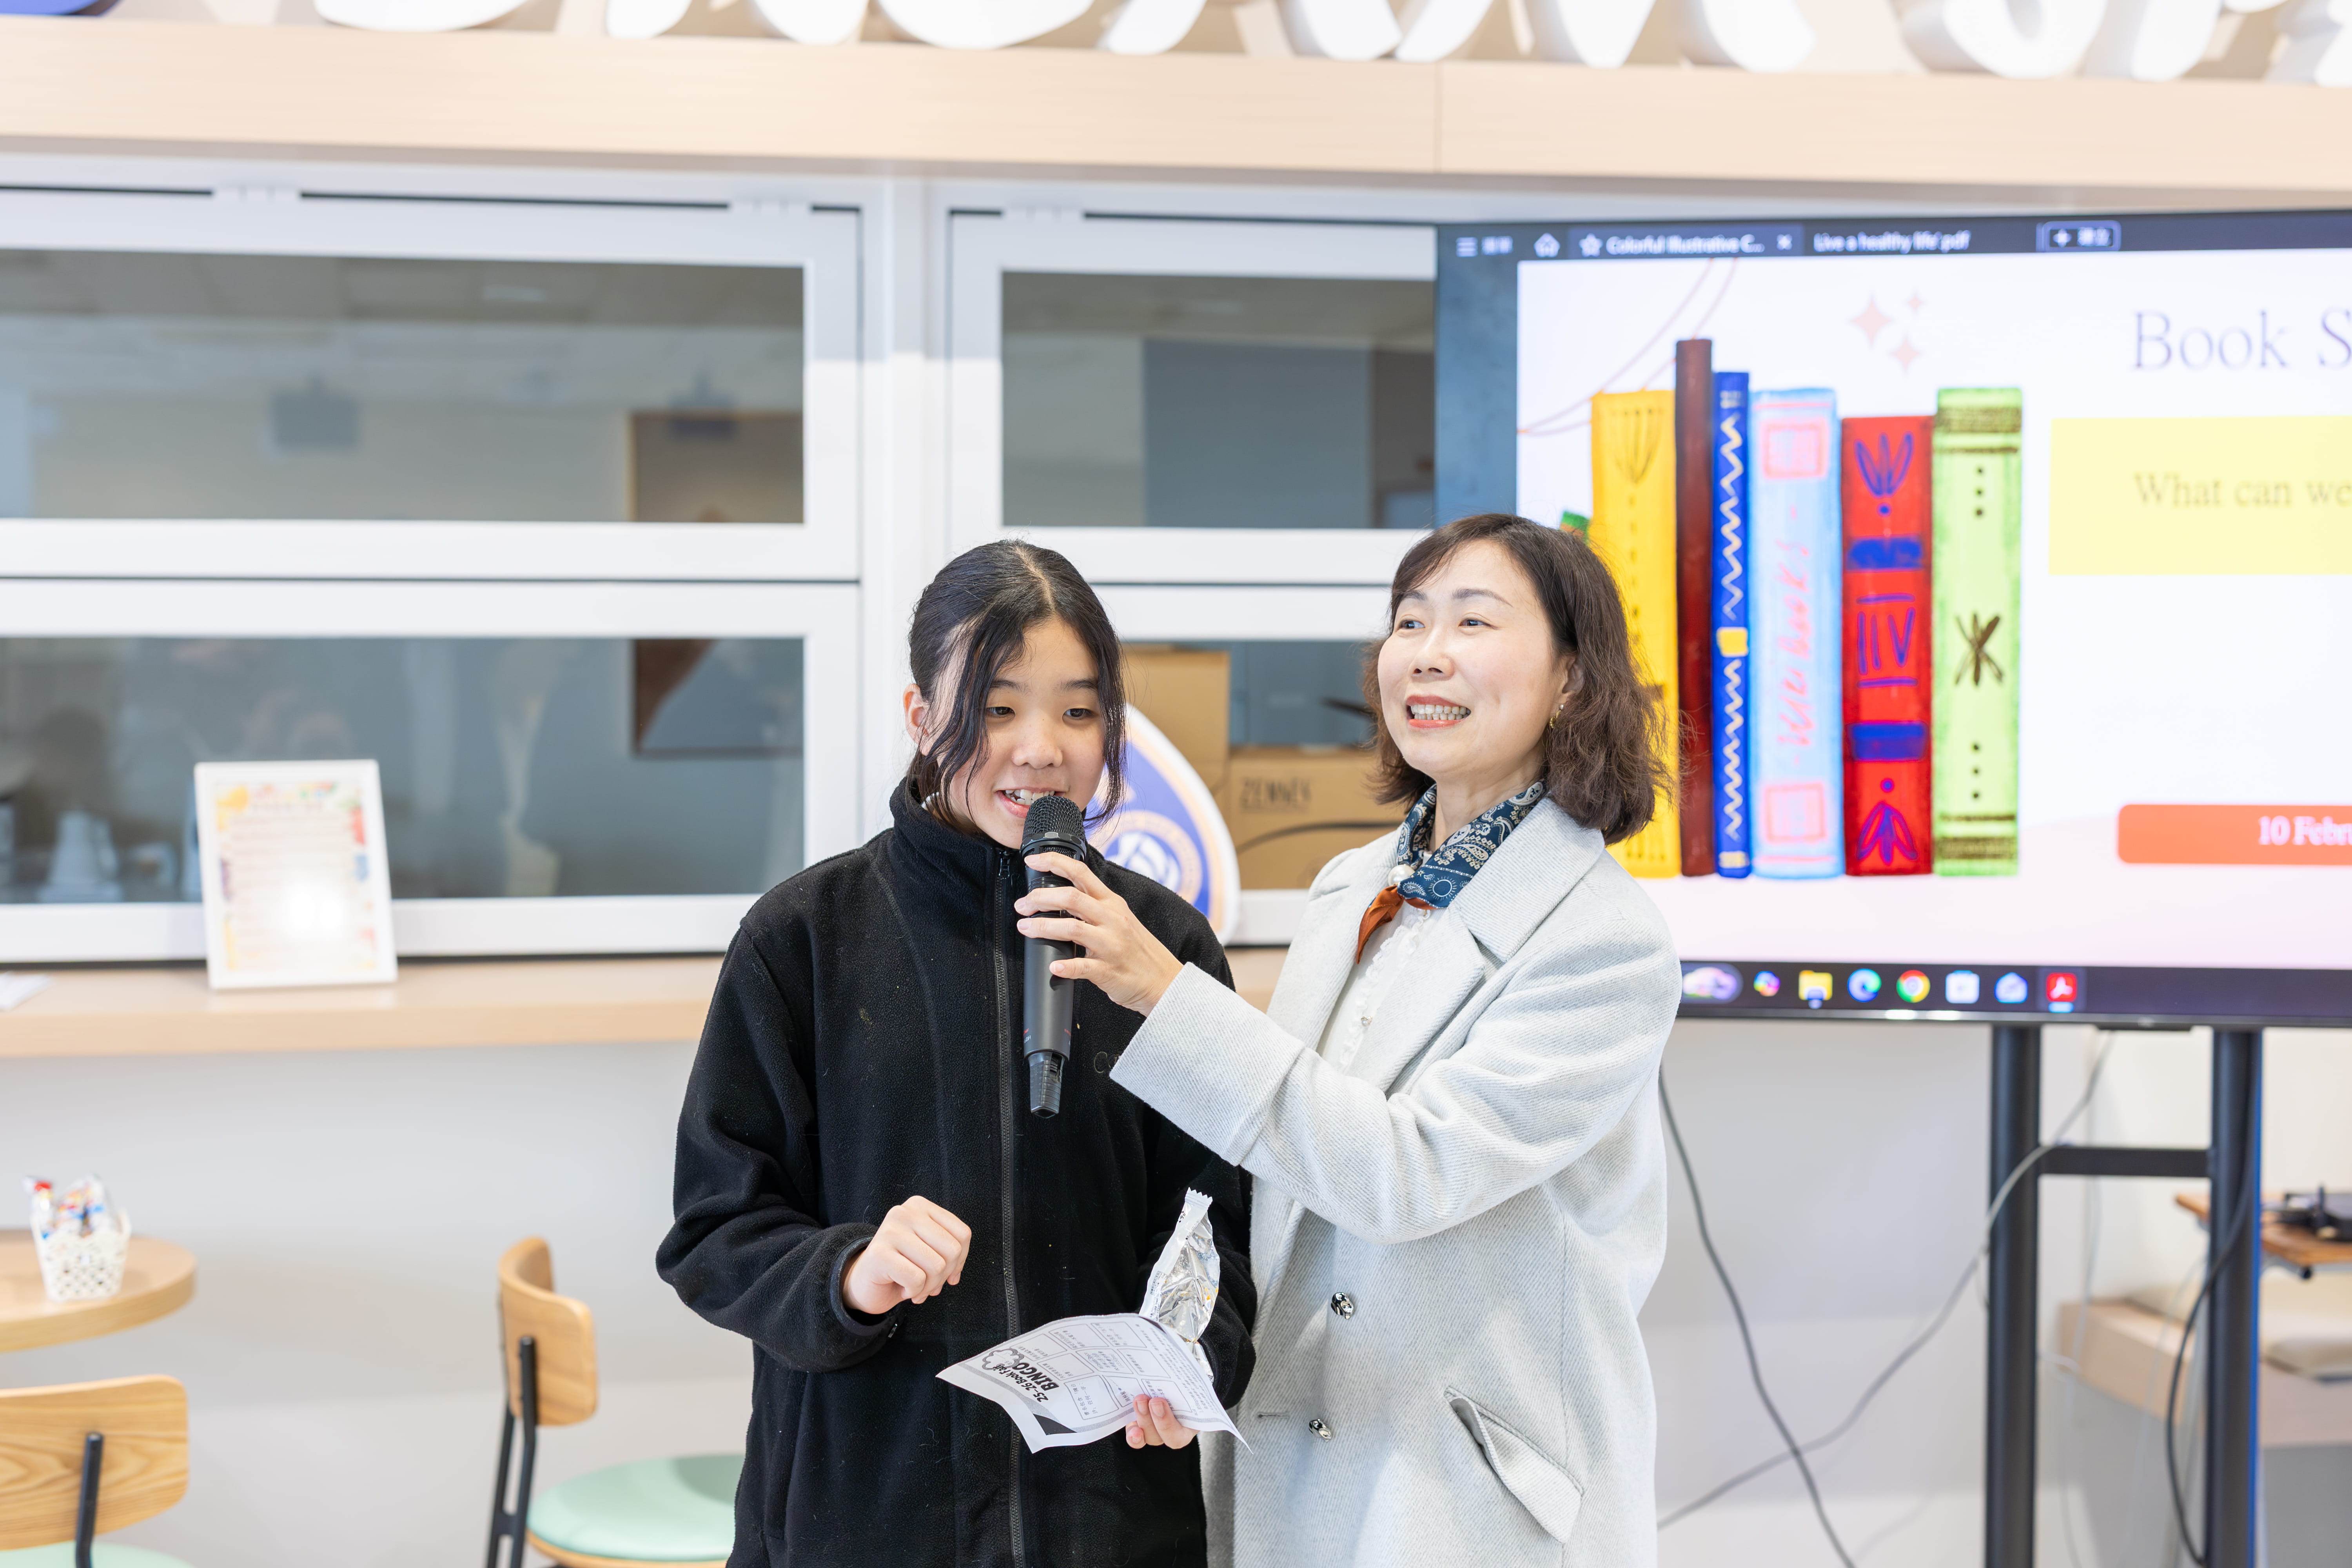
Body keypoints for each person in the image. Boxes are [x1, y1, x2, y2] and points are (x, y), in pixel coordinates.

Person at [1014, 513, 1683, 1567]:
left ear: (1571, 677)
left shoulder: (1606, 941)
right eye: (1409, 621)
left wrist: (1166, 994)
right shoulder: (1350, 888)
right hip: (1301, 1458)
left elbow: (1405, 1176)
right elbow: (1280, 1168)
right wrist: (1183, 1342)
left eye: (1474, 622)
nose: (1427, 652)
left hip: (1466, 1493)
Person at [658, 539, 1256, 1568]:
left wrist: (1196, 1351)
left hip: (1109, 1521)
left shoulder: (1164, 949)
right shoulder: (805, 938)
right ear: (921, 716)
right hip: (866, 1515)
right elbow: (716, 1233)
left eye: (1079, 712)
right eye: (996, 707)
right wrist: (851, 1273)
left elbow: (1218, 1222)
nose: (1040, 748)